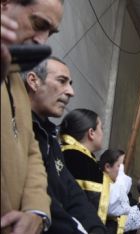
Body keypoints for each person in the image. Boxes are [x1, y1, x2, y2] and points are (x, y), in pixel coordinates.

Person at [24, 56, 106, 233]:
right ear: (33, 81)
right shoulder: (18, 128)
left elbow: (73, 194)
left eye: (70, 83)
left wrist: (97, 229)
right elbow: (44, 200)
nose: (71, 92)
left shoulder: (51, 138)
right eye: (62, 81)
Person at [1, 0, 62, 232]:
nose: (42, 40)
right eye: (38, 23)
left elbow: (30, 150)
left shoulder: (16, 77)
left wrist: (36, 211)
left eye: (50, 32)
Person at [59, 109, 108, 222]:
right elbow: (102, 203)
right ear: (91, 133)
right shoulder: (80, 160)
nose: (102, 133)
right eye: (101, 128)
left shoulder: (65, 152)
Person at [98, 149, 140, 233]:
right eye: (120, 166)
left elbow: (124, 220)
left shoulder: (116, 187)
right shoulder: (102, 186)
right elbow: (112, 209)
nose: (123, 172)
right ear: (107, 167)